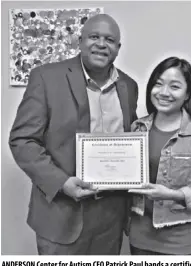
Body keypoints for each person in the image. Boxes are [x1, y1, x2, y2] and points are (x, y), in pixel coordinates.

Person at [9, 14, 138, 255]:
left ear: (118, 48)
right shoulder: (46, 77)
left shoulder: (129, 86)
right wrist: (62, 183)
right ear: (80, 41)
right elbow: (22, 140)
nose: (101, 44)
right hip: (61, 214)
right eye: (94, 37)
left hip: (111, 218)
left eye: (109, 39)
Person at [128, 57, 191, 255]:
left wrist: (173, 195)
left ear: (187, 94)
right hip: (140, 240)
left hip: (185, 244)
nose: (164, 93)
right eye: (158, 84)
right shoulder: (136, 128)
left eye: (175, 86)